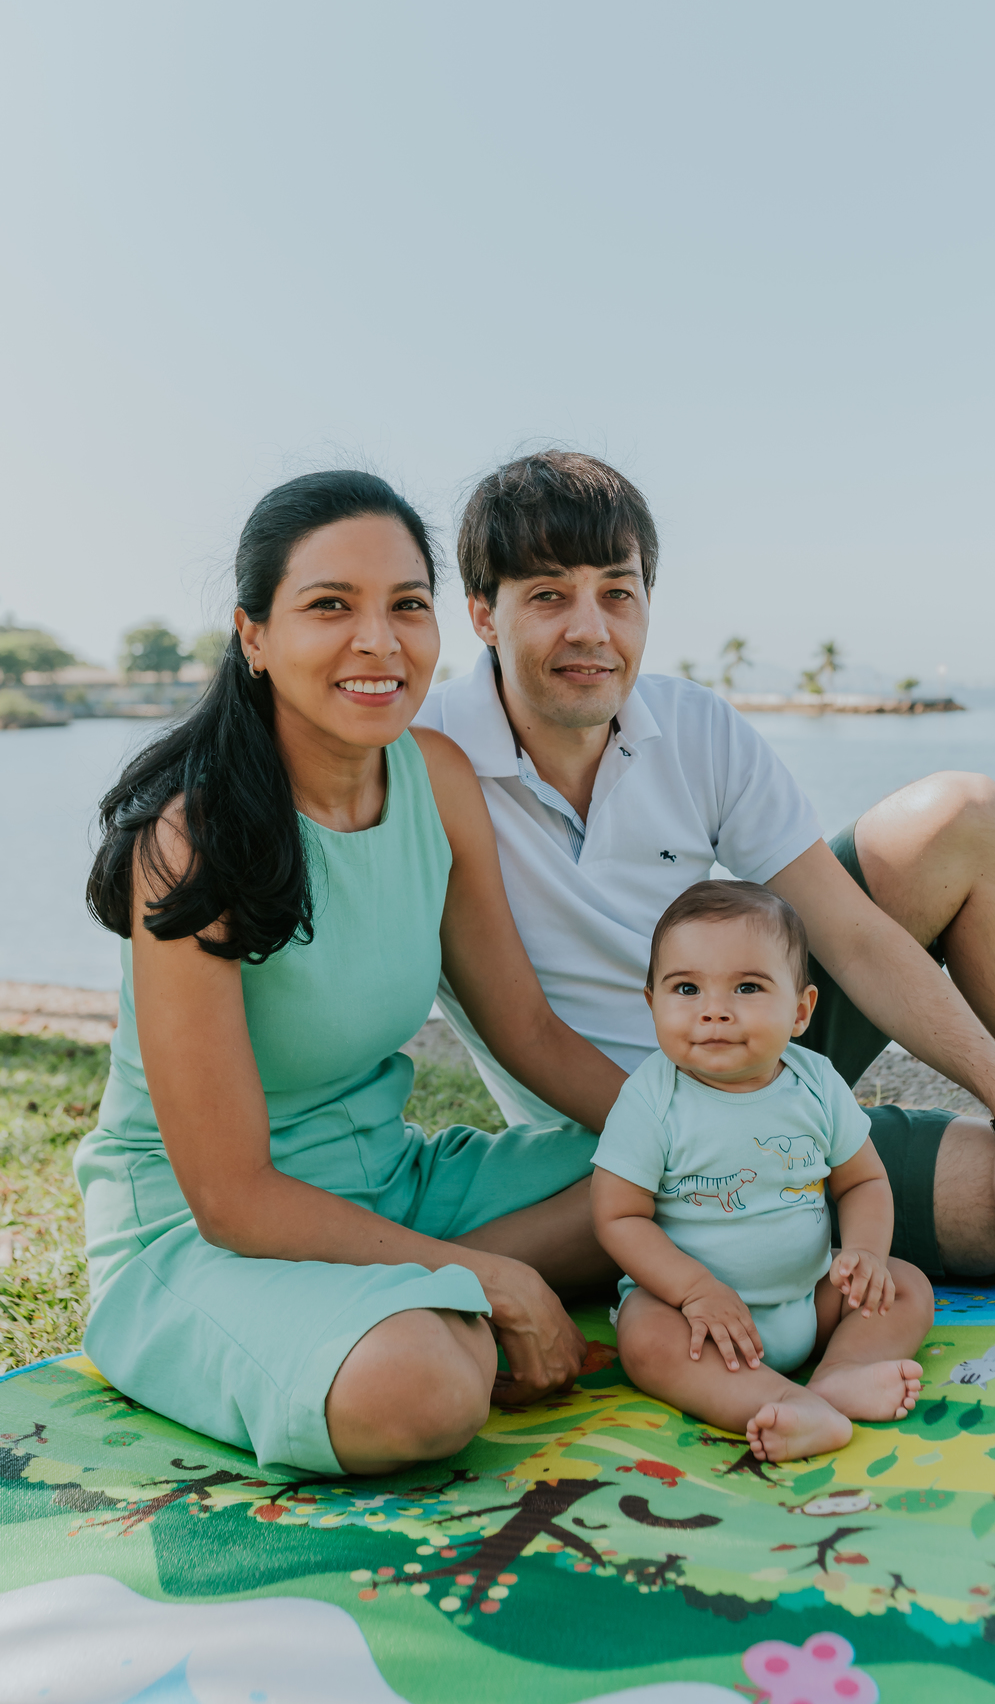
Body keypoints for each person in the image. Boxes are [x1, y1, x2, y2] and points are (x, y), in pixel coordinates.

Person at [416, 450, 995, 1287]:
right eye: (547, 596)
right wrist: (723, 1130)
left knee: (965, 816)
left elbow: (851, 934)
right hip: (615, 1129)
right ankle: (853, 1150)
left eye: (617, 591)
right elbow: (507, 1025)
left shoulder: (692, 726)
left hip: (759, 1031)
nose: (590, 629)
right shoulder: (425, 765)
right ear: (482, 615)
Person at [79, 470, 631, 1477]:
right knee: (420, 1386)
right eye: (330, 606)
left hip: (391, 1190)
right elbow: (233, 1199)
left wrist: (697, 1130)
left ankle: (446, 1297)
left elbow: (530, 1032)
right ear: (254, 636)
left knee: (674, 1177)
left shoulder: (439, 780)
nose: (379, 642)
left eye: (406, 607)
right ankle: (447, 1314)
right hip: (203, 1245)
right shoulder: (195, 841)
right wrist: (493, 1281)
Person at [592, 881, 933, 1464]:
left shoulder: (815, 1083)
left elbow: (863, 1182)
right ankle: (777, 1401)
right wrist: (695, 1291)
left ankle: (841, 1373)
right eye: (686, 987)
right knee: (644, 1337)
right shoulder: (652, 1098)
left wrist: (867, 1255)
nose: (715, 1009)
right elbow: (618, 1216)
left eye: (747, 987)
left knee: (906, 1287)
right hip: (693, 1318)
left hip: (808, 1298)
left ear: (800, 1011)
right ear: (651, 1003)